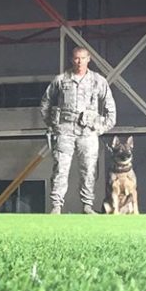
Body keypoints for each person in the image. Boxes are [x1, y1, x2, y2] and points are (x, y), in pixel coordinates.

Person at [40, 46, 117, 214]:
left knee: (89, 170)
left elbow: (110, 107)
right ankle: (56, 206)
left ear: (89, 59)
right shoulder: (61, 80)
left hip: (88, 131)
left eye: (83, 58)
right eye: (76, 58)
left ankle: (87, 206)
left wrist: (101, 128)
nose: (79, 62)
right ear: (71, 59)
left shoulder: (98, 81)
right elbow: (46, 102)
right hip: (65, 130)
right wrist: (53, 125)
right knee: (60, 168)